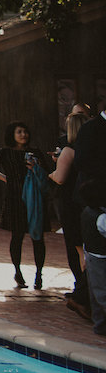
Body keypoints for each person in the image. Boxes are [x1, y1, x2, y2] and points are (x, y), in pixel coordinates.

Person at [0, 121, 53, 289]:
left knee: (38, 238)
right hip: (15, 199)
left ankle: (39, 274)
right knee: (16, 237)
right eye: (19, 132)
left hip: (35, 199)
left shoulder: (35, 152)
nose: (23, 134)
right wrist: (6, 179)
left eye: (25, 131)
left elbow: (47, 173)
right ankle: (17, 271)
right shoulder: (5, 152)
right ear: (12, 134)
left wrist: (36, 168)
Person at [52, 110, 92, 320]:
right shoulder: (89, 149)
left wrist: (48, 171)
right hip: (85, 201)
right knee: (85, 248)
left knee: (78, 249)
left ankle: (81, 291)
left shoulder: (69, 149)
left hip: (70, 202)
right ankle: (83, 291)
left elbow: (59, 178)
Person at [74, 98, 106, 335]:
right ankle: (100, 320)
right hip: (97, 200)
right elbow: (83, 162)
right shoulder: (91, 129)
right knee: (97, 262)